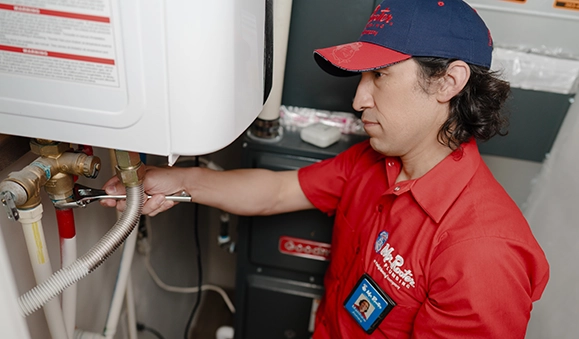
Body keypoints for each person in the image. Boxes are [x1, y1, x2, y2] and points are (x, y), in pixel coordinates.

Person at [101, 0, 549, 337]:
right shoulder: (377, 161)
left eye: (381, 76)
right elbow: (277, 191)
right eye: (362, 77)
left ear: (448, 82)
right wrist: (177, 180)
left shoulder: (484, 255)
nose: (358, 100)